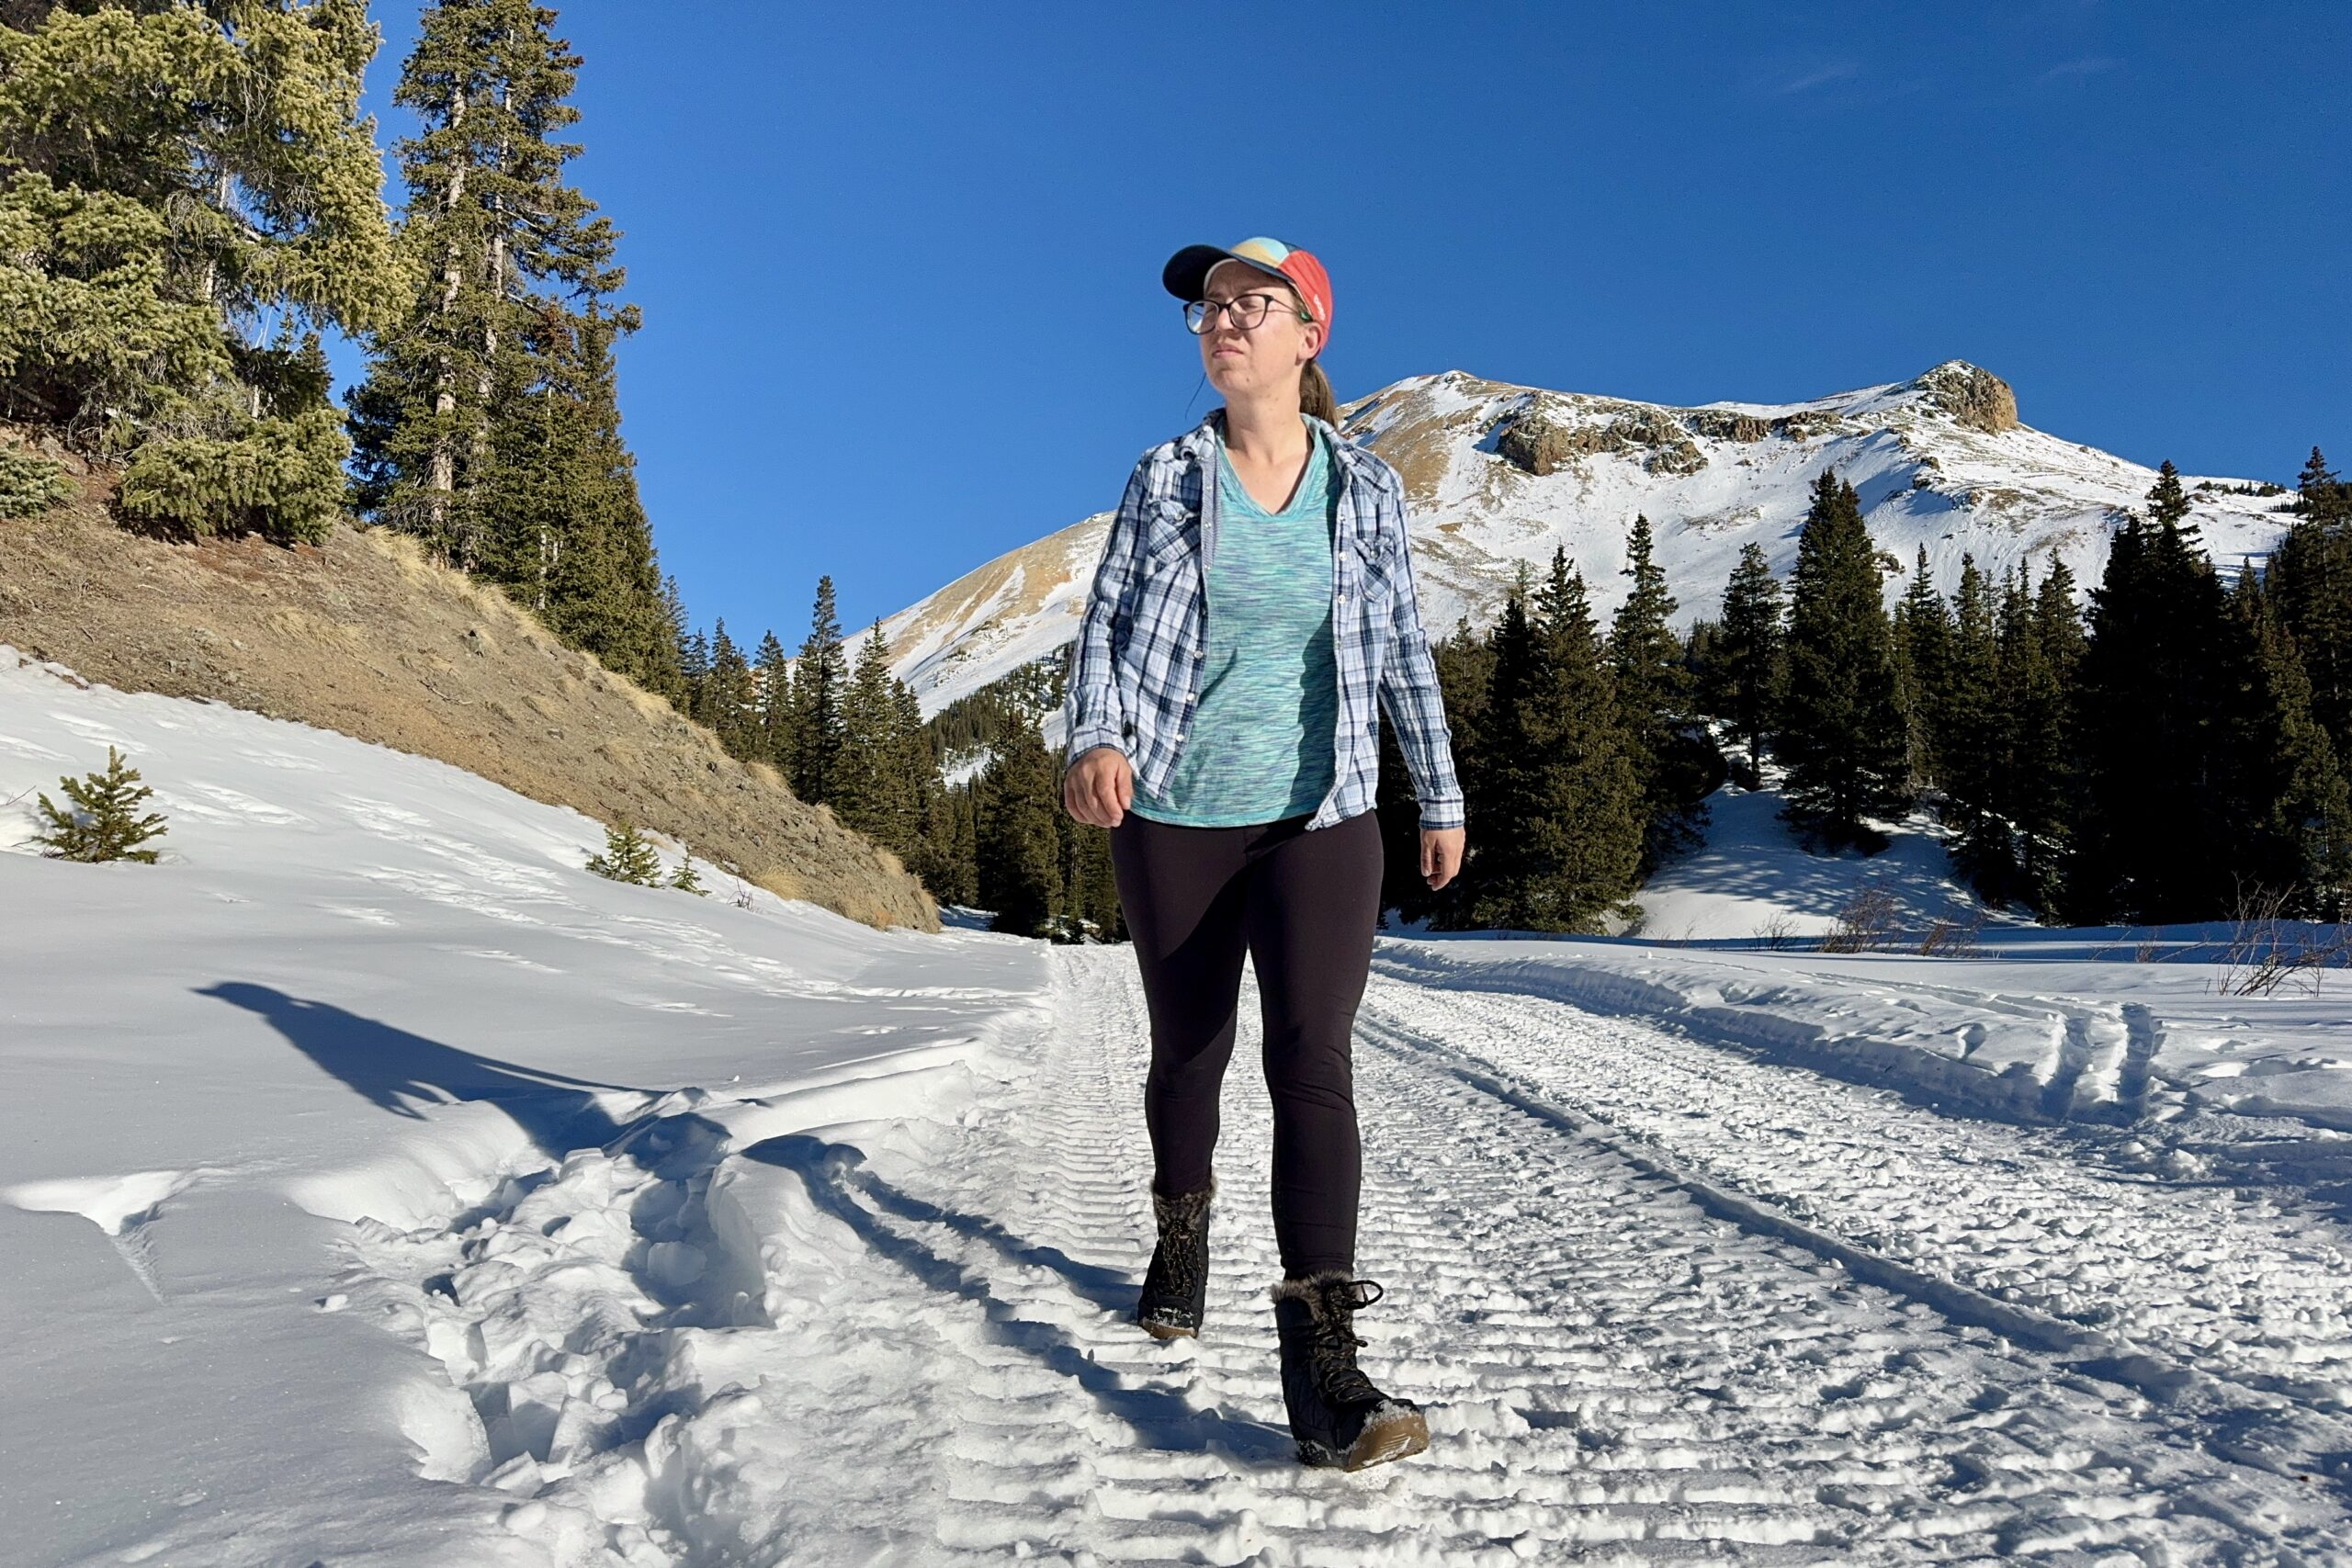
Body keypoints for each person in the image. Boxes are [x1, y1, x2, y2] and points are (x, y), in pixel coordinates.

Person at [1058, 235, 1466, 1472]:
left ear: (1308, 336)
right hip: (1177, 808)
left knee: (1312, 1061)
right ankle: (1182, 1230)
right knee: (1191, 1052)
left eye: (1252, 304)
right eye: (1210, 309)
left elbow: (1400, 649)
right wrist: (1094, 736)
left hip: (1324, 811)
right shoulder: (1167, 476)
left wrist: (1436, 795)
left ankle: (1325, 1374)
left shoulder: (1369, 490)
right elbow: (1107, 628)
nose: (1222, 322)